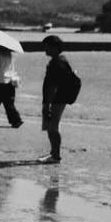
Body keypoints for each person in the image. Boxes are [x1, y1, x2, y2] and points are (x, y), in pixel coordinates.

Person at [39, 35, 77, 164]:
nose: (45, 49)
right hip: (58, 98)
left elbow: (53, 85)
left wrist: (47, 104)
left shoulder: (57, 63)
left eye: (47, 46)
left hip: (57, 99)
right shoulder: (61, 60)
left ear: (55, 47)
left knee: (52, 127)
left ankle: (55, 155)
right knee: (51, 126)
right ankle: (53, 153)